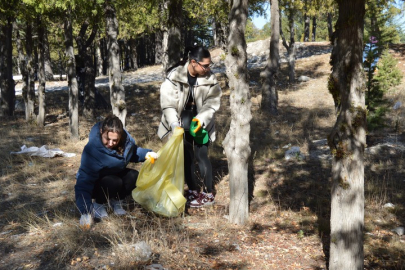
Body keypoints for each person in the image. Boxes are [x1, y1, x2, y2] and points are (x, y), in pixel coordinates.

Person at [158, 45, 222, 208]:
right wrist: (173, 125)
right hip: (180, 123)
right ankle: (193, 190)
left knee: (202, 156)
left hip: (201, 123)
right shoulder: (174, 76)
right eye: (205, 65)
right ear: (193, 62)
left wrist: (201, 119)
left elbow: (212, 102)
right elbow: (168, 104)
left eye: (209, 65)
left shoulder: (210, 78)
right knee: (186, 158)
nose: (208, 69)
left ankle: (208, 194)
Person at [75, 114, 158, 228]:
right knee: (114, 181)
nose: (110, 143)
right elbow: (84, 182)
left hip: (114, 177)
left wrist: (146, 154)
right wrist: (85, 211)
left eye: (115, 140)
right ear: (101, 132)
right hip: (98, 185)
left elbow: (132, 153)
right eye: (107, 139)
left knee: (134, 176)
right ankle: (98, 204)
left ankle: (116, 201)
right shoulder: (92, 150)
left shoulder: (126, 142)